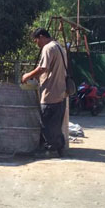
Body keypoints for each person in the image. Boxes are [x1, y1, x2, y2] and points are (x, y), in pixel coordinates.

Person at [21, 28, 67, 157]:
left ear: (41, 37)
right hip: (61, 92)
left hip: (50, 93)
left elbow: (43, 68)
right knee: (57, 124)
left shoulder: (48, 48)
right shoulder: (59, 47)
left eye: (36, 40)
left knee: (46, 123)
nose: (37, 44)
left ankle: (50, 150)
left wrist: (28, 76)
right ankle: (60, 148)